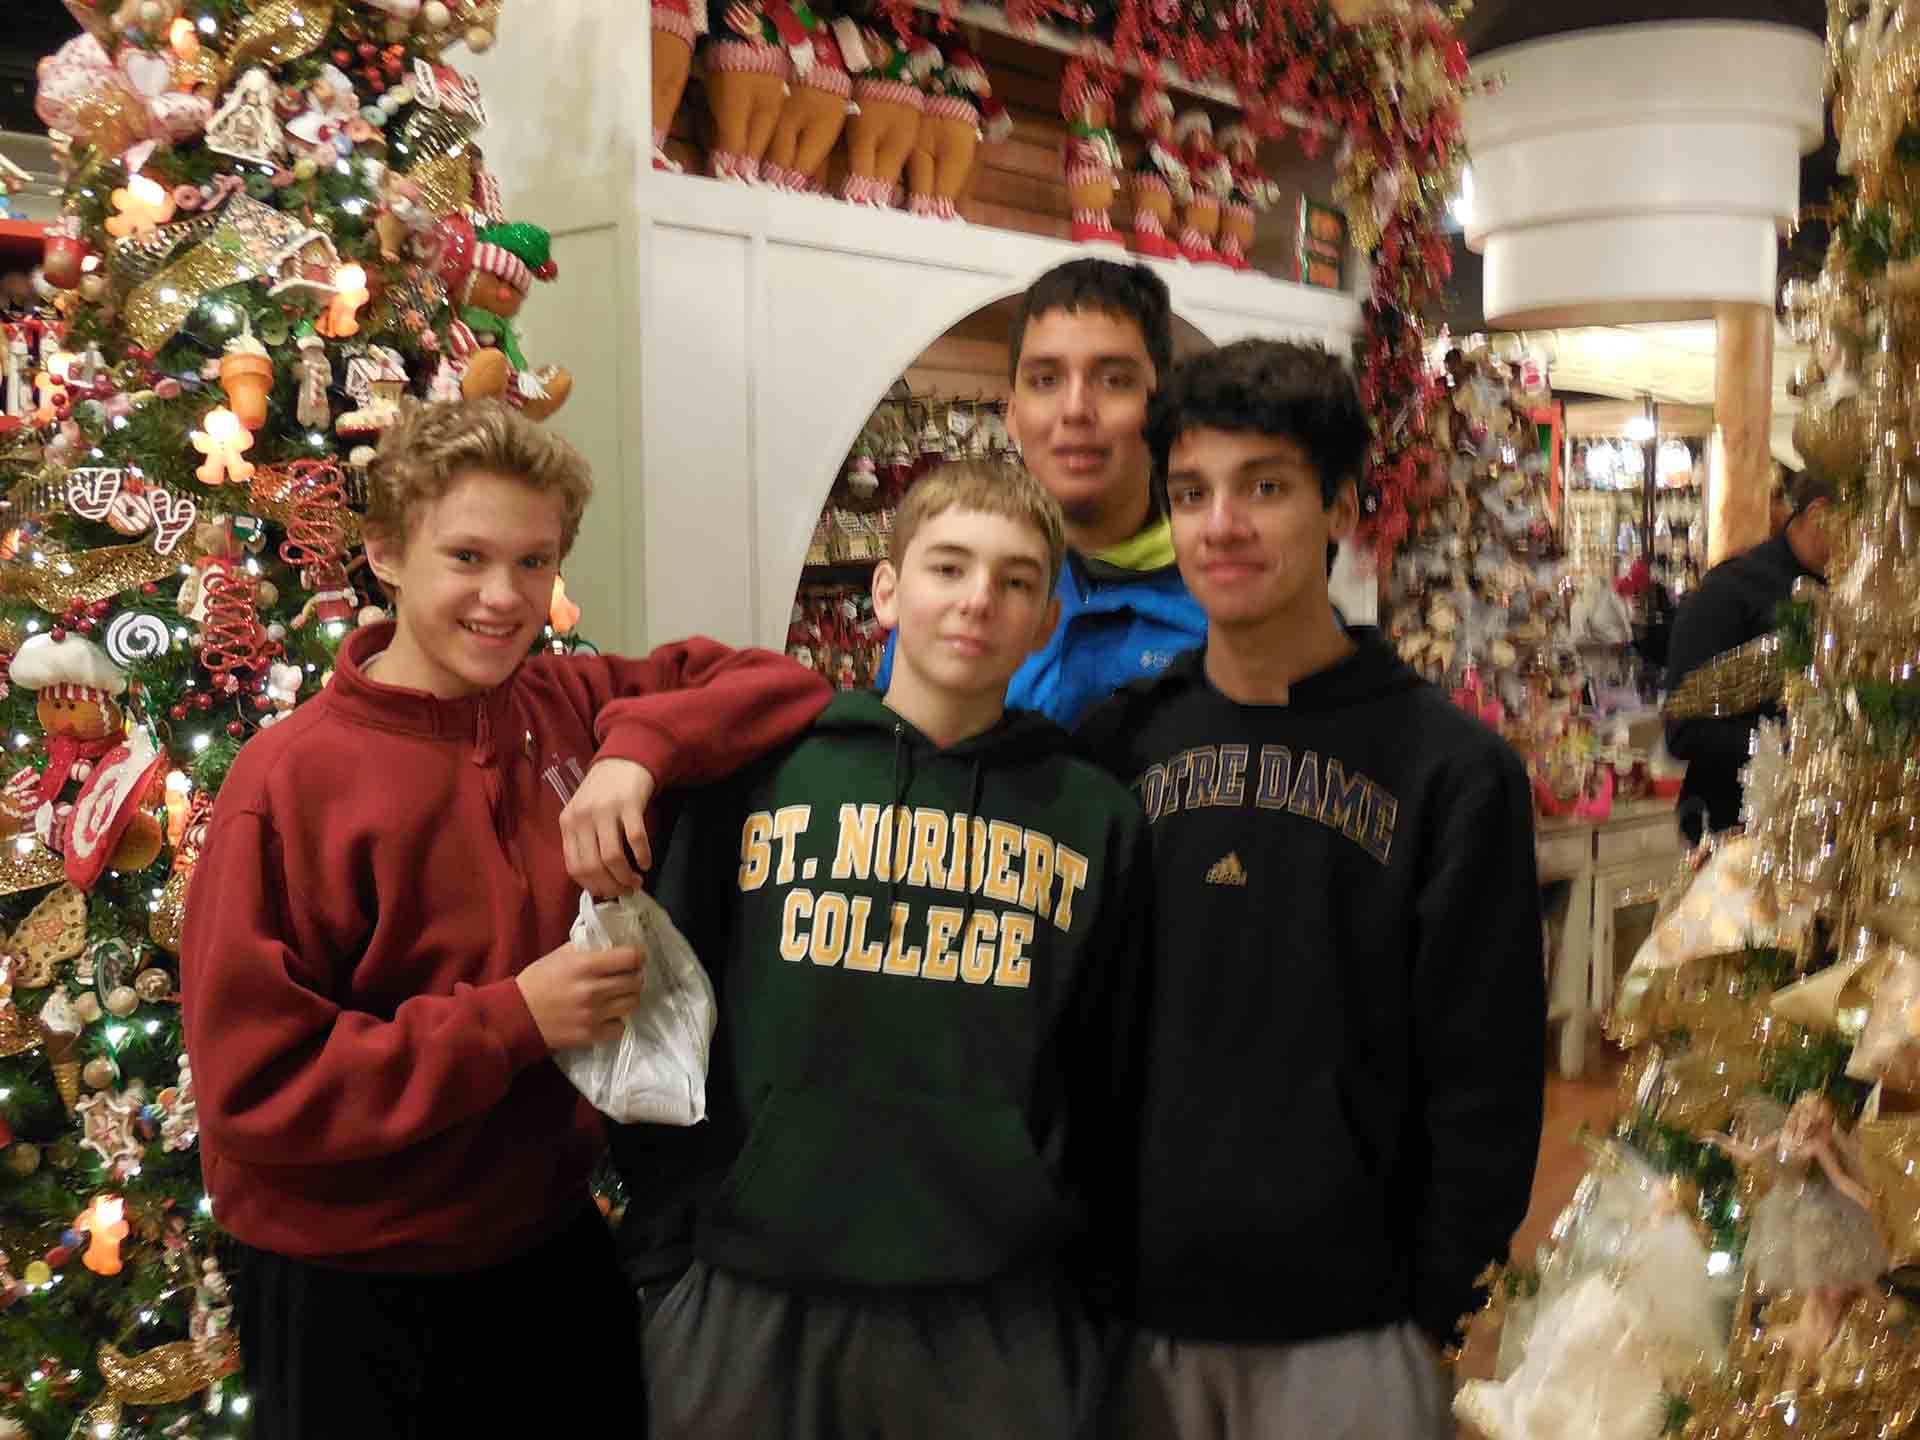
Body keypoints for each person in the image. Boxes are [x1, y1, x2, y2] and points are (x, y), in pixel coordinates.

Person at [179, 400, 832, 1439]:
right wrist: (515, 1019)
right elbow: (255, 1091)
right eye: (467, 557)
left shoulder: (565, 705)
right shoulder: (289, 782)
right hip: (354, 1293)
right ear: (386, 555)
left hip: (546, 1251)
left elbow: (781, 682)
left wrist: (637, 751)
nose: (504, 597)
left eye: (534, 562)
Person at [616, 459, 1153, 1439]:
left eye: (1016, 580)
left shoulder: (1094, 816)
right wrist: (667, 1257)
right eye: (949, 567)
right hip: (747, 1290)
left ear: (1046, 621)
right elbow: (665, 1016)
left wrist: (1086, 1276)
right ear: (887, 591)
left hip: (997, 1305)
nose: (978, 600)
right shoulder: (762, 774)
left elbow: (1113, 1074)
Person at [1079, 340, 1545, 1440]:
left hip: (1354, 1336)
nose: (1221, 525)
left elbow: (1486, 1081)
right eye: (1191, 493)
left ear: (1338, 507)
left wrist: (1428, 1310)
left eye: (1264, 488)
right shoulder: (1113, 750)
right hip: (1135, 1322)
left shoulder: (1452, 771)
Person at [879, 257, 1204, 727]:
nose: (1075, 410)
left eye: (1114, 380)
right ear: (1013, 413)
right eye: (1046, 380)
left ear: (1163, 408)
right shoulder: (946, 592)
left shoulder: (1225, 601)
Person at [1663, 467, 1833, 844]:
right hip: (1735, 834)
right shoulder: (1731, 590)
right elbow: (1684, 730)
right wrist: (1791, 744)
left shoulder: (1848, 597)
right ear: (1820, 514)